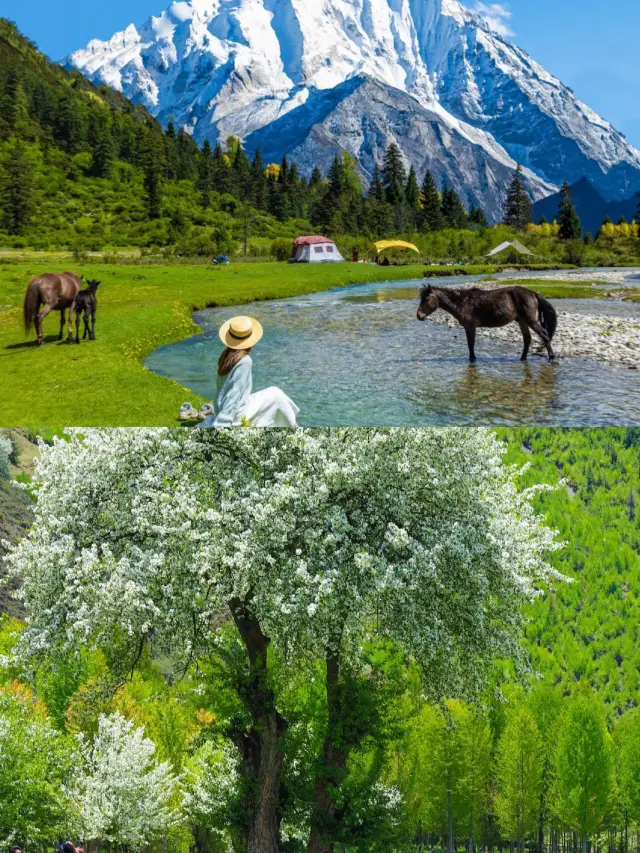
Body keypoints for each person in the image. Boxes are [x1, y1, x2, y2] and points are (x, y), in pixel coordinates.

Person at [198, 316, 299, 427]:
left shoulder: (226, 355)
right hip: (236, 414)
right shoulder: (245, 361)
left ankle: (291, 425)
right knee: (276, 395)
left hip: (221, 408)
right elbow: (234, 394)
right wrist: (222, 423)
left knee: (274, 392)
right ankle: (293, 427)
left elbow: (224, 391)